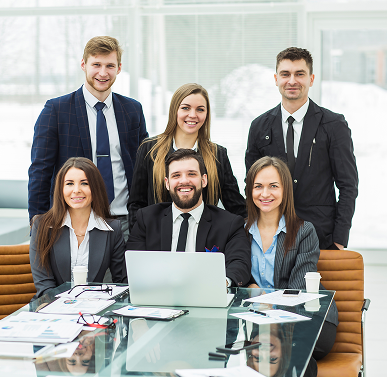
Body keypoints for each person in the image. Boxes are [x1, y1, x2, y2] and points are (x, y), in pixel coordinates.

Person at [28, 36, 148, 239]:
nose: (103, 73)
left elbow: (143, 167)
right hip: (73, 221)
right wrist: (38, 221)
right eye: (96, 65)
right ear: (84, 65)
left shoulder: (132, 110)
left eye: (110, 65)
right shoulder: (56, 110)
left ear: (119, 68)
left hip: (125, 221)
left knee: (126, 272)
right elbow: (41, 170)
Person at [245, 47, 358, 250]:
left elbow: (348, 185)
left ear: (311, 79)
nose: (292, 81)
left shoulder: (333, 124)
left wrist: (340, 238)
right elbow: (252, 183)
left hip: (321, 236)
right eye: (285, 74)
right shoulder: (259, 126)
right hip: (271, 236)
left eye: (300, 74)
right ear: (276, 78)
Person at [245, 156, 338, 376]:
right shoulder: (239, 231)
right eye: (258, 186)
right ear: (249, 190)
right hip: (260, 319)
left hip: (307, 318)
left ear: (285, 190)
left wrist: (264, 305)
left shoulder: (304, 231)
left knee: (298, 350)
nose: (265, 194)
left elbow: (298, 291)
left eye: (273, 186)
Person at [128, 83, 246, 231]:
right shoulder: (149, 149)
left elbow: (236, 207)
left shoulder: (217, 154)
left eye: (200, 109)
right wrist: (140, 243)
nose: (192, 115)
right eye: (185, 108)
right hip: (156, 241)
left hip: (202, 242)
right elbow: (136, 205)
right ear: (174, 110)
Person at [126, 149, 251, 288]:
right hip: (157, 300)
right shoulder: (146, 219)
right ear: (167, 183)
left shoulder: (230, 223)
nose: (184, 181)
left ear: (203, 180)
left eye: (191, 174)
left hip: (207, 300)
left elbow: (240, 264)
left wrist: (222, 283)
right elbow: (133, 265)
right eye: (176, 175)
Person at [30, 157, 126, 299]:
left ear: (95, 188)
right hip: (52, 307)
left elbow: (122, 282)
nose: (76, 190)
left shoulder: (112, 229)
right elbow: (44, 286)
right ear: (61, 189)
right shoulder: (42, 225)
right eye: (69, 183)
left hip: (94, 309)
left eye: (84, 183)